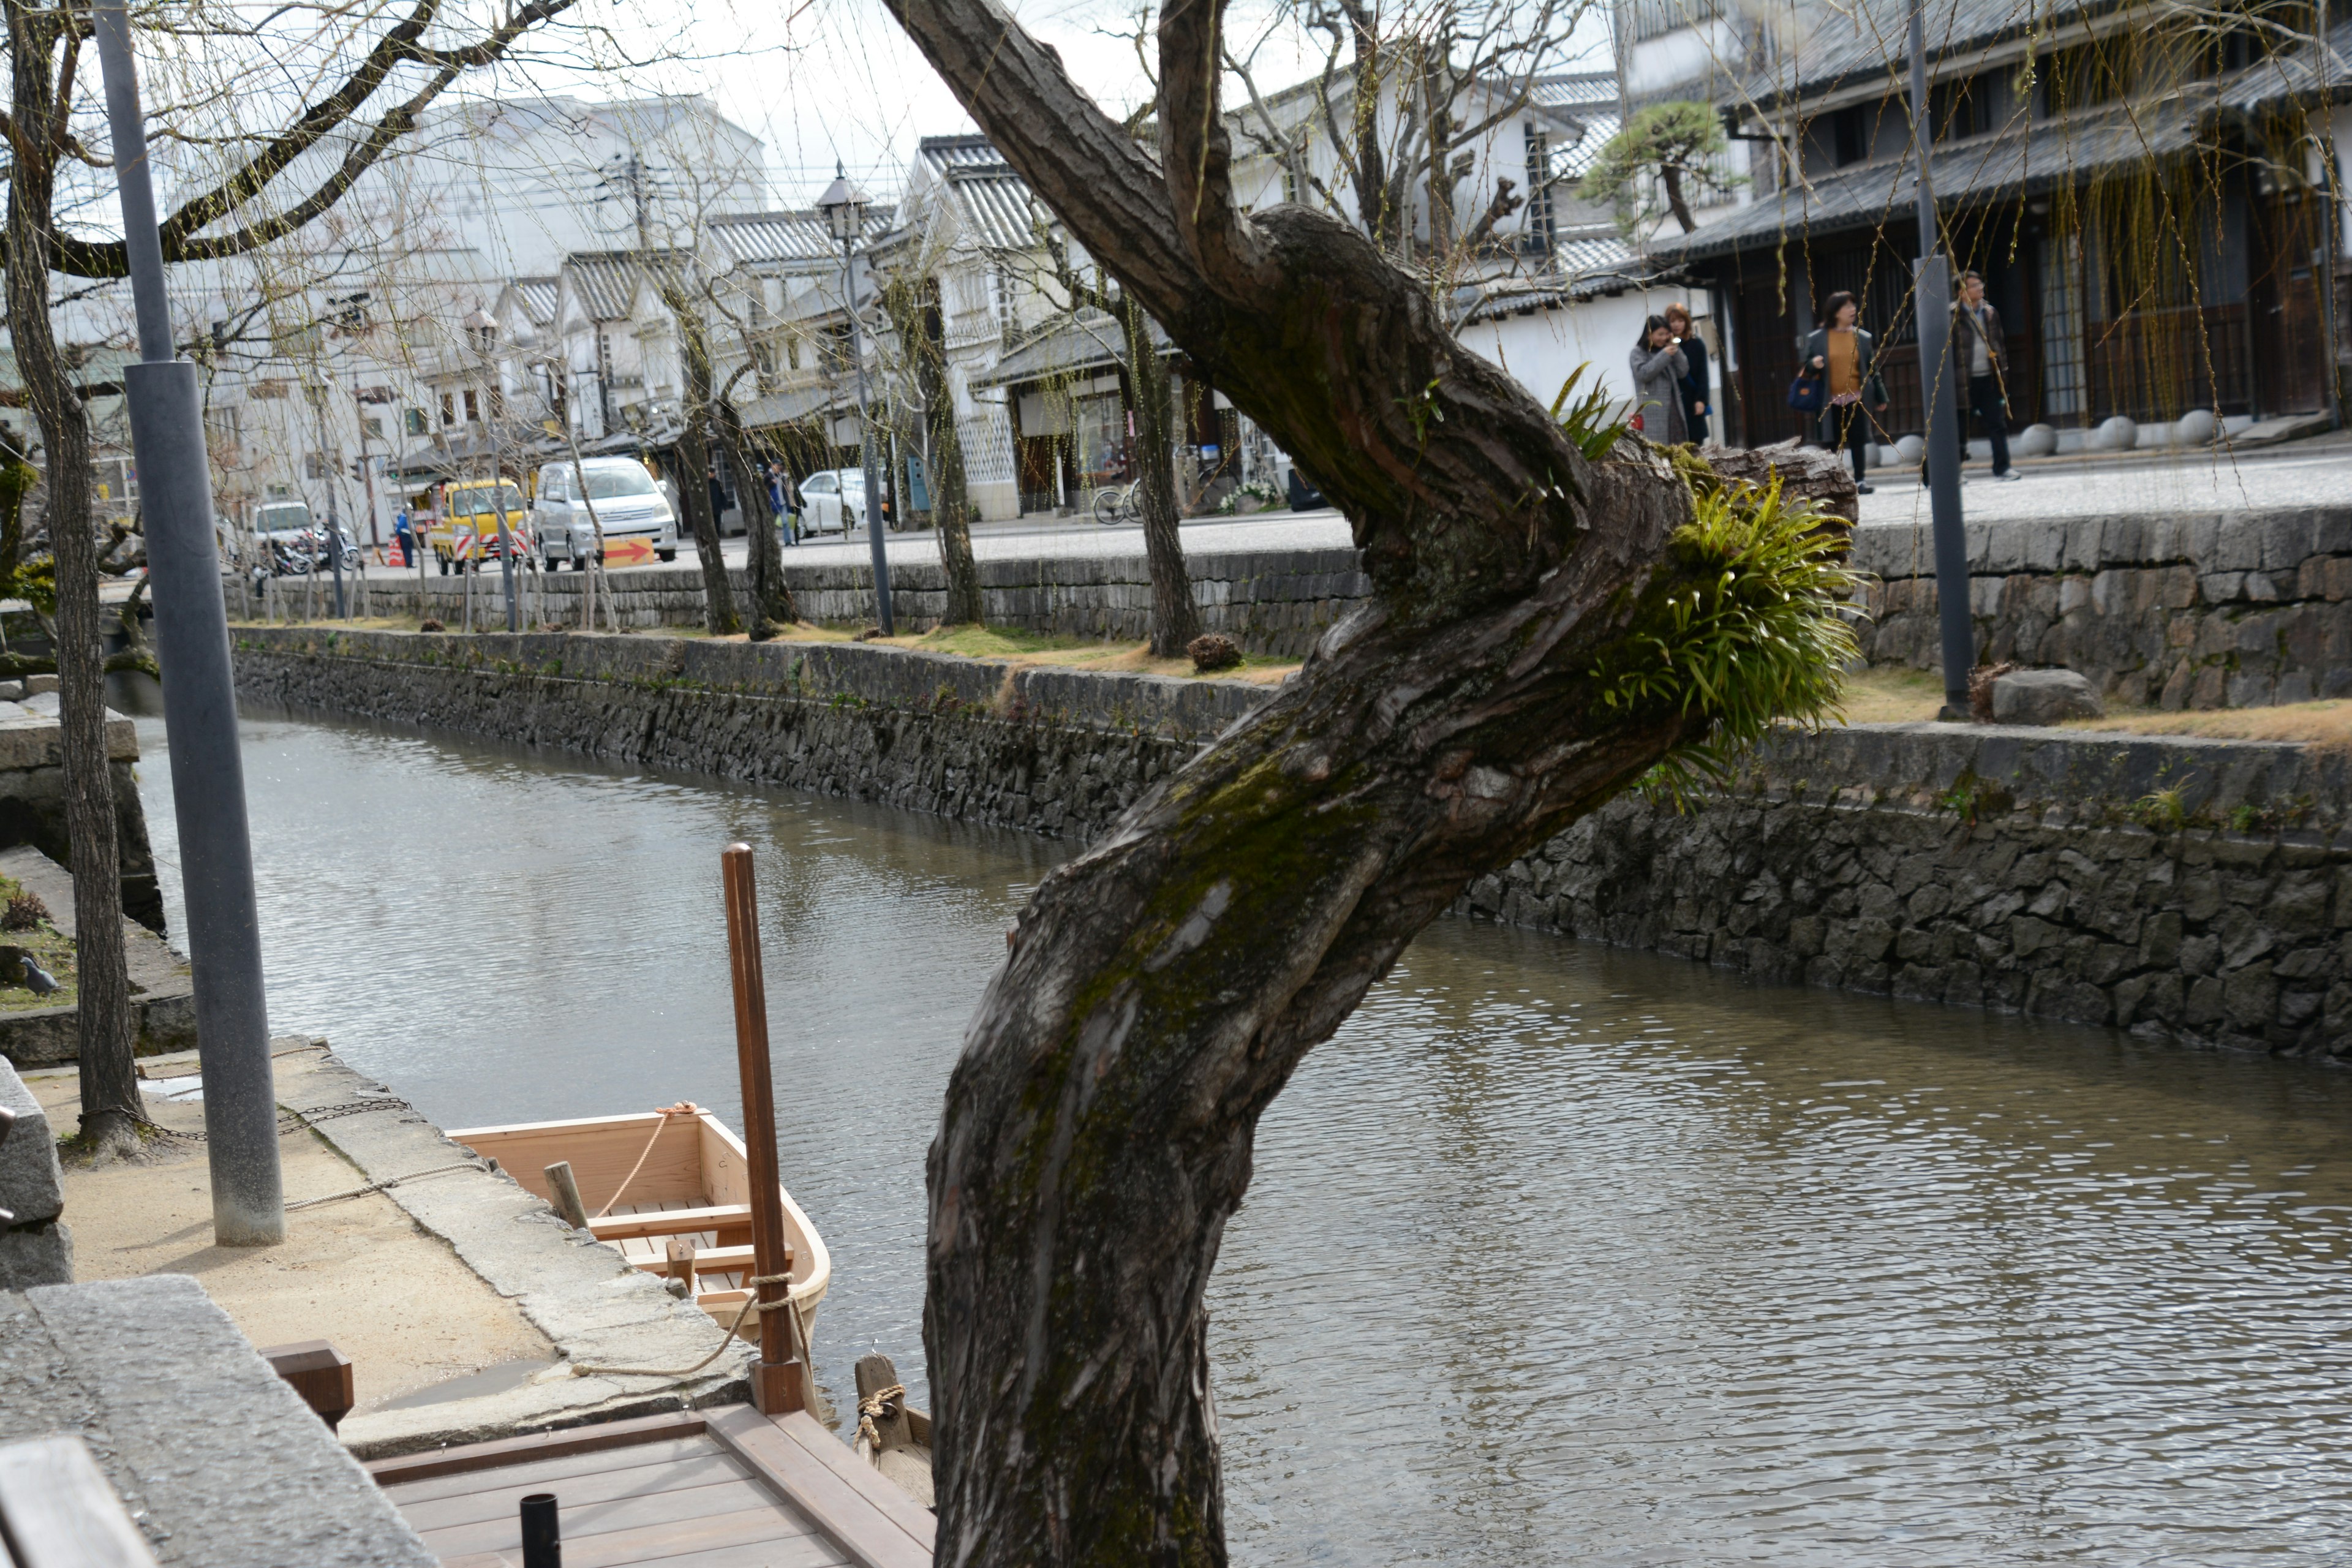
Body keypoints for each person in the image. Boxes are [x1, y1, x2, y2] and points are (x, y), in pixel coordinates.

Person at [1801, 290, 1890, 494]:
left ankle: (1860, 481)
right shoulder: (1818, 339)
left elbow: (1872, 370)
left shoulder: (1863, 338)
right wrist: (1813, 364)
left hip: (1856, 397)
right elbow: (1805, 368)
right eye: (1847, 307)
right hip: (1828, 400)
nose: (1853, 310)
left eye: (1853, 305)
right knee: (1831, 442)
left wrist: (1881, 396)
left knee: (1858, 440)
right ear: (1835, 313)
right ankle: (1833, 482)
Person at [1951, 270, 2019, 482]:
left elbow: (1999, 343)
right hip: (1964, 381)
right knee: (1961, 428)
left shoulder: (1990, 313)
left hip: (1988, 377)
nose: (1980, 287)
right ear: (1962, 292)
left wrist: (2003, 372)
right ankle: (1955, 472)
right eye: (1974, 285)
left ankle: (2003, 467)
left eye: (1980, 283)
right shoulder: (1952, 316)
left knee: (1997, 424)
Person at [1628, 315, 1689, 445]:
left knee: (1679, 449)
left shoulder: (1667, 350)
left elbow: (1683, 371)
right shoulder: (1638, 352)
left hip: (1674, 409)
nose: (1664, 338)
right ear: (1649, 335)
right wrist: (1665, 355)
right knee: (1658, 451)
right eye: (1660, 334)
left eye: (1667, 334)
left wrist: (1675, 349)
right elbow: (1644, 374)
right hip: (1653, 414)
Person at [1664, 303, 1710, 445]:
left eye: (1680, 320)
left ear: (1686, 321)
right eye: (1672, 321)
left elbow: (1703, 375)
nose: (1677, 325)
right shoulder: (1664, 346)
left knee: (1694, 445)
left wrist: (1701, 400)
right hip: (1673, 403)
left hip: (1692, 399)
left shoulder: (1697, 344)